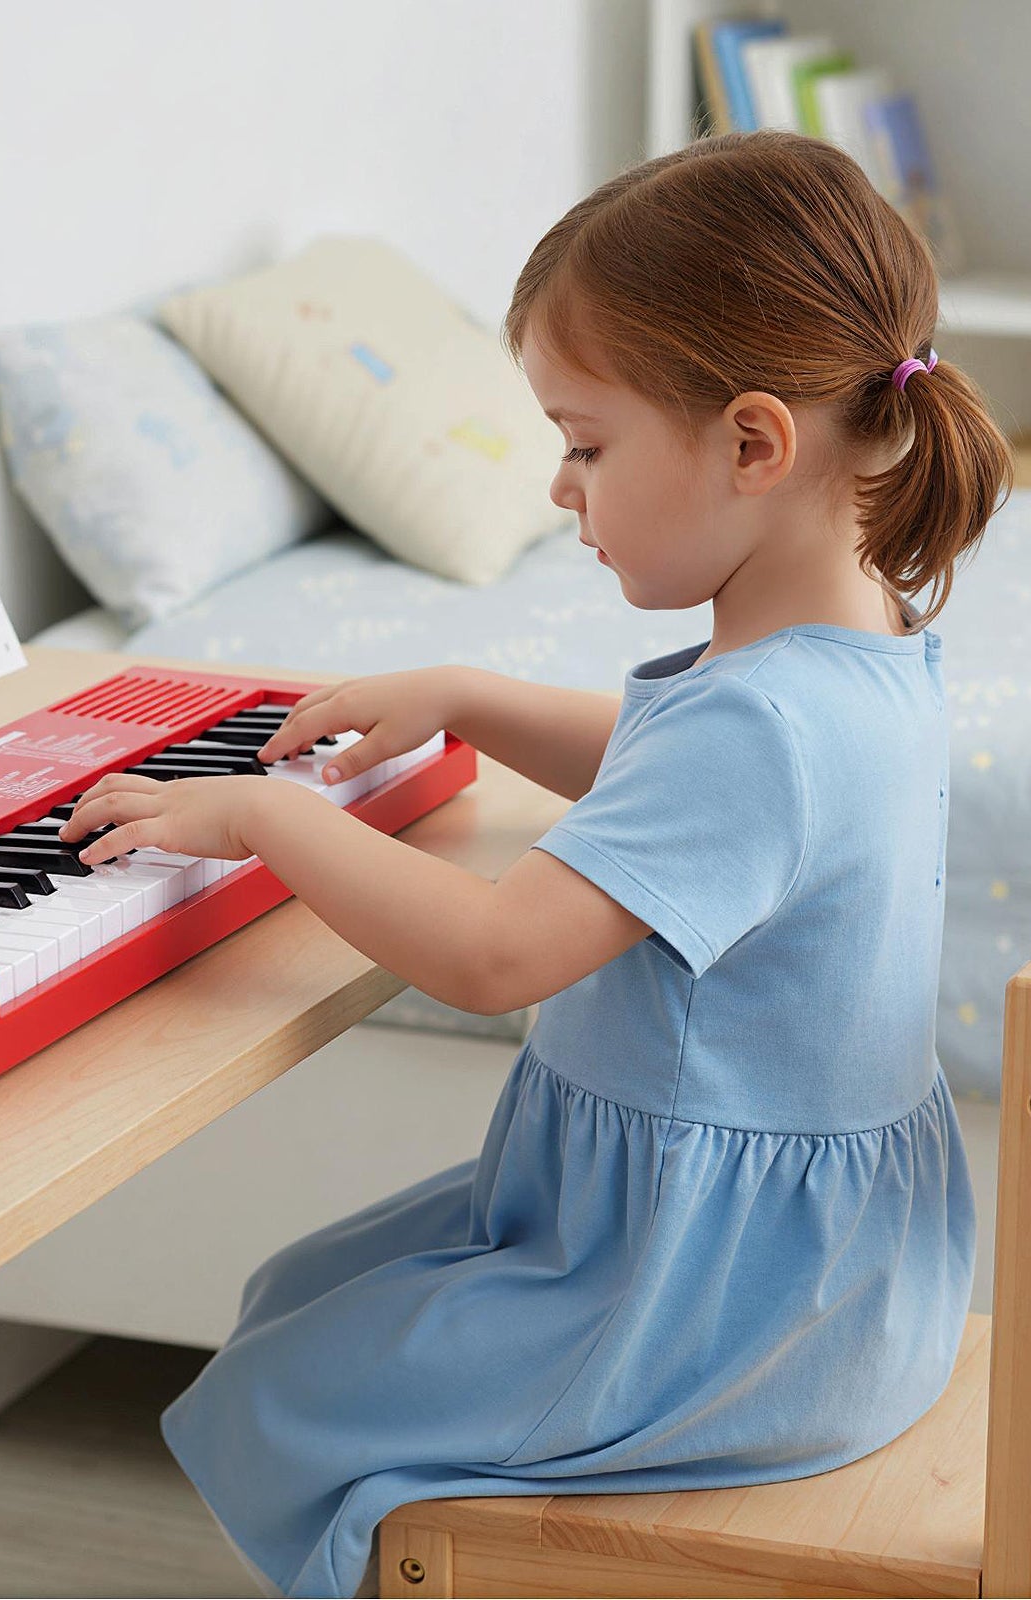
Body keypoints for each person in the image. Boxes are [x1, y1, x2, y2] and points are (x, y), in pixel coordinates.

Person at [58, 129, 1012, 1599]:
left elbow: (498, 953)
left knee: (292, 1378)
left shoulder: (760, 725)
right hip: (834, 1274)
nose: (562, 490)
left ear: (754, 443)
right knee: (299, 1296)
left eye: (585, 443)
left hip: (699, 1304)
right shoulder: (859, 633)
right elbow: (688, 786)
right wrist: (475, 696)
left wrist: (265, 818)